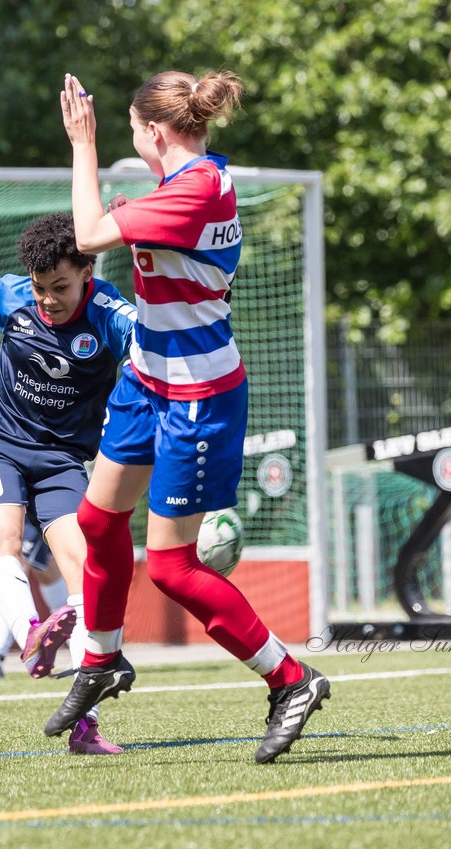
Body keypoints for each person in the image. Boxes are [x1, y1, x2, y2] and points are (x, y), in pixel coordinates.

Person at [46, 70, 331, 764]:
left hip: (196, 397)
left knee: (173, 567)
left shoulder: (197, 189)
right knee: (96, 520)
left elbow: (87, 232)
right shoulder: (200, 180)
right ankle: (103, 661)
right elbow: (156, 240)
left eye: (133, 133)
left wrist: (80, 143)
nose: (130, 143)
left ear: (155, 132)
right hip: (149, 380)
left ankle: (292, 680)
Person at [0, 211, 137, 755]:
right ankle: (31, 633)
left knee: (84, 576)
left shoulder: (111, 316)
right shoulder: (12, 297)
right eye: (40, 288)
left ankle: (85, 723)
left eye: (61, 287)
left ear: (88, 272)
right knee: (4, 546)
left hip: (60, 460)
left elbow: (152, 349)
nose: (49, 299)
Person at [0, 352, 69, 680]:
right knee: (16, 556)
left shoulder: (66, 359)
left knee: (40, 565)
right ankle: (6, 650)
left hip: (45, 470)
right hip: (0, 468)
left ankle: (82, 638)